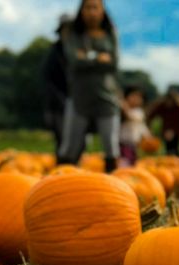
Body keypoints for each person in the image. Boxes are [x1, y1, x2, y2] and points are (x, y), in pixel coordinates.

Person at [57, 0, 122, 172]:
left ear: (102, 11)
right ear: (81, 11)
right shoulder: (73, 34)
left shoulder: (110, 33)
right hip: (79, 97)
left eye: (95, 7)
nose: (92, 12)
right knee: (70, 144)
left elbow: (114, 63)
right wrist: (99, 57)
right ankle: (60, 184)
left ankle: (114, 184)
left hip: (106, 97)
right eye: (88, 7)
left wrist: (87, 56)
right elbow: (75, 61)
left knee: (110, 144)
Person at [41, 15, 71, 158]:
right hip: (58, 103)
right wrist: (60, 99)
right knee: (62, 138)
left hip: (77, 102)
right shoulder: (55, 53)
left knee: (77, 139)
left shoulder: (78, 51)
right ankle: (63, 167)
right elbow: (48, 79)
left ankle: (73, 168)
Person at [146, 87, 179, 157]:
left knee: (175, 149)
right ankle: (170, 163)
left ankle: (176, 163)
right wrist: (149, 128)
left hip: (177, 131)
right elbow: (150, 115)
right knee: (168, 150)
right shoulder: (162, 106)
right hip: (166, 130)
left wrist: (175, 131)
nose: (169, 103)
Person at [118, 86, 153, 168]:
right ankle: (123, 174)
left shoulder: (138, 112)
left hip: (133, 144)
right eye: (133, 96)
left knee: (132, 161)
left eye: (139, 97)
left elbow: (135, 121)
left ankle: (128, 174)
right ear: (126, 97)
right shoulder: (120, 113)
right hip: (122, 143)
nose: (136, 99)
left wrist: (148, 136)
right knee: (124, 162)